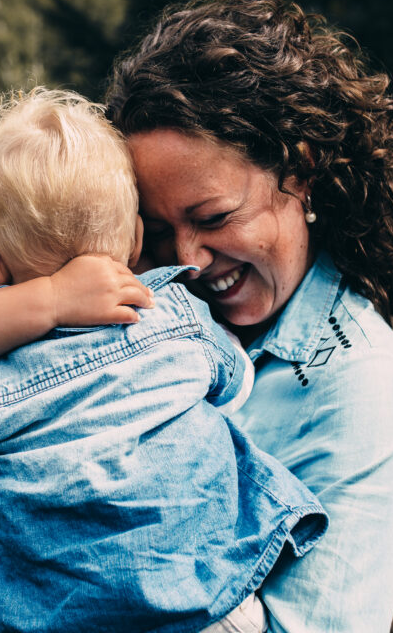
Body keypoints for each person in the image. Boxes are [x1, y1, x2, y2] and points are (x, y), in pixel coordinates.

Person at [0, 0, 393, 633]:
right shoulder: (126, 308)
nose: (188, 260)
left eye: (214, 217)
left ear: (303, 169)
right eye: (152, 228)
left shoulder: (363, 388)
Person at [0, 88, 328, 633]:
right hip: (213, 595)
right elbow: (234, 384)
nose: (185, 260)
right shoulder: (171, 312)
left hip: (46, 611)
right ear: (134, 240)